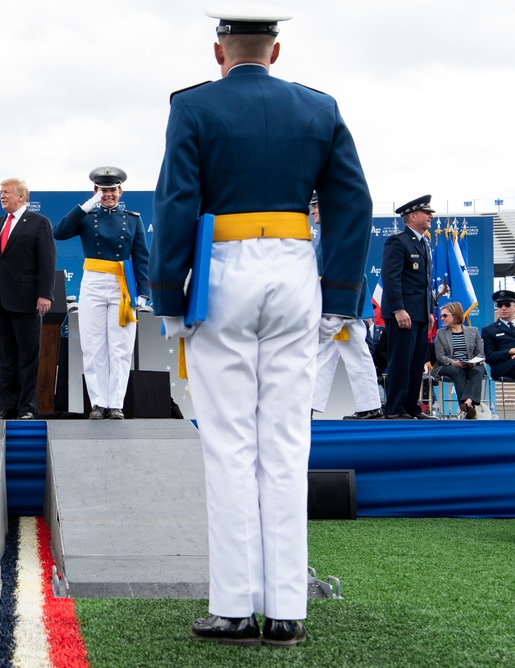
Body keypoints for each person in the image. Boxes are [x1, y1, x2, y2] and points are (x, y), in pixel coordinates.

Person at [150, 7, 372, 647]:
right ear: (276, 50)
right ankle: (285, 611)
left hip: (223, 272)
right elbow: (351, 199)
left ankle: (234, 607)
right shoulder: (319, 108)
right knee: (284, 442)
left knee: (229, 443)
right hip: (297, 270)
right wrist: (341, 293)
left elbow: (176, 200)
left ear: (219, 51)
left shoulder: (193, 107)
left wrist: (169, 292)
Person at [53, 166, 149, 420]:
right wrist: (86, 206)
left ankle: (115, 403)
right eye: (103, 190)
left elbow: (141, 257)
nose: (108, 195)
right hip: (93, 282)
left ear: (120, 191)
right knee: (93, 346)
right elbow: (59, 232)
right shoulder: (86, 215)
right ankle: (98, 403)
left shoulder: (133, 219)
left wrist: (144, 292)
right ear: (95, 192)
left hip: (123, 285)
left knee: (120, 347)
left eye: (112, 190)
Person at [0, 178, 57, 420]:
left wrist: (45, 294)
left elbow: (47, 261)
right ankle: (7, 407)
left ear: (21, 196)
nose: (2, 196)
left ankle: (28, 408)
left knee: (28, 356)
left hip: (27, 300)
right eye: (0, 192)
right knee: (6, 357)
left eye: (7, 192)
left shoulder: (39, 223)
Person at [309, 196, 383, 420]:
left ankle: (370, 407)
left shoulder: (338, 233)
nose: (312, 211)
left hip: (340, 307)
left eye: (315, 206)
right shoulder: (333, 232)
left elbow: (352, 270)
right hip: (333, 305)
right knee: (322, 356)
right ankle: (308, 406)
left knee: (357, 354)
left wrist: (347, 307)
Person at [381, 195, 437, 420]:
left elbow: (424, 283)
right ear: (412, 217)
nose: (431, 216)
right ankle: (395, 408)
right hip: (403, 313)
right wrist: (398, 309)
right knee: (401, 361)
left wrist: (430, 310)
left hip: (420, 313)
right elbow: (391, 277)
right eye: (427, 213)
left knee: (416, 363)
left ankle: (411, 407)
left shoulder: (424, 243)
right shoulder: (398, 241)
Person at [432, 301, 486, 419]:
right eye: (441, 316)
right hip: (448, 365)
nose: (442, 318)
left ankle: (466, 404)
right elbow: (440, 356)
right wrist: (453, 362)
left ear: (455, 315)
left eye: (445, 315)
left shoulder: (474, 331)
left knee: (477, 371)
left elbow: (480, 353)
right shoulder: (440, 333)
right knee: (457, 371)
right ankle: (467, 406)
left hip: (471, 364)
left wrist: (473, 362)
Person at [482, 289, 515, 381]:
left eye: (507, 305)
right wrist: (510, 351)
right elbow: (489, 356)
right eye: (499, 305)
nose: (503, 308)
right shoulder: (489, 330)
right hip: (502, 367)